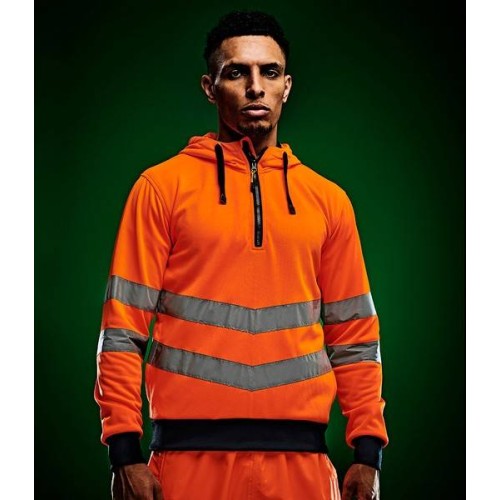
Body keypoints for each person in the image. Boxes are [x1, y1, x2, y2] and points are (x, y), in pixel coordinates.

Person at [94, 10, 388, 500]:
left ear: (286, 86)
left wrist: (368, 452)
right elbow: (122, 330)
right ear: (209, 87)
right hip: (187, 460)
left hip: (303, 464)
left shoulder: (328, 201)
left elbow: (354, 337)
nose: (255, 87)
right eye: (236, 72)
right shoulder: (161, 189)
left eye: (269, 72)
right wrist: (124, 451)